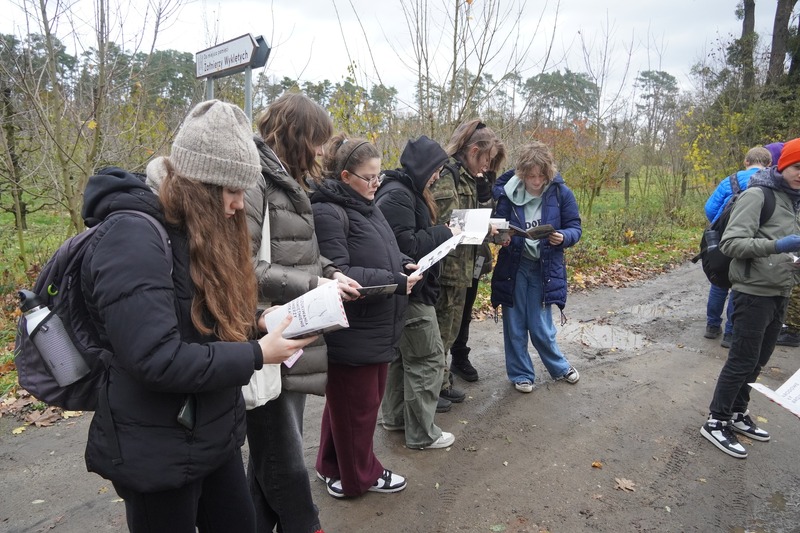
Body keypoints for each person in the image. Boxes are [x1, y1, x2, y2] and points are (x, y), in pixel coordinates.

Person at [82, 100, 315, 532]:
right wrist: (256, 353)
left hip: (210, 434)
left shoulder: (194, 228)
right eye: (231, 192)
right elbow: (156, 357)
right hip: (157, 447)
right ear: (200, 185)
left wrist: (257, 323)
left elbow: (197, 321)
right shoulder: (133, 237)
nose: (237, 205)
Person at [244, 92, 359, 533]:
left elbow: (303, 255)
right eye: (316, 141)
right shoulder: (257, 182)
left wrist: (332, 274)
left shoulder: (289, 180)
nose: (319, 152)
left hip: (295, 327)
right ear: (296, 135)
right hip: (271, 330)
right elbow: (245, 266)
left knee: (271, 453)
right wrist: (316, 285)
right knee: (282, 453)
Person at [311, 135, 422, 498]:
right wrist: (396, 280)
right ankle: (360, 478)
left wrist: (403, 264)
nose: (377, 184)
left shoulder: (367, 205)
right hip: (353, 333)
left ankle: (331, 466)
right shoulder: (329, 211)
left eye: (379, 176)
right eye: (369, 177)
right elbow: (340, 274)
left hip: (377, 328)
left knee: (346, 408)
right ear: (345, 176)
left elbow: (383, 254)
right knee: (358, 412)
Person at [700, 137, 800, 459]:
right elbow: (731, 244)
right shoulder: (759, 194)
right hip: (752, 292)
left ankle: (737, 412)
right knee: (741, 359)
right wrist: (778, 246)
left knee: (759, 359)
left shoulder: (795, 202)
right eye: (797, 167)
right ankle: (716, 420)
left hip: (780, 291)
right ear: (783, 165)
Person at [375, 135, 458, 449]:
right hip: (411, 292)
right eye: (436, 169)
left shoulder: (405, 191)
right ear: (424, 167)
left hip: (407, 292)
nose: (437, 176)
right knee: (427, 359)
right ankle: (423, 434)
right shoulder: (398, 195)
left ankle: (396, 419)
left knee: (402, 359)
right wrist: (445, 232)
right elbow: (405, 246)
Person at [490, 141, 582, 393]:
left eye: (541, 175)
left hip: (545, 268)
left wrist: (564, 236)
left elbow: (575, 227)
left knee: (541, 325)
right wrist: (502, 237)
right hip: (515, 266)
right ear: (521, 173)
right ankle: (521, 374)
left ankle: (559, 367)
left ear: (548, 172)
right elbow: (497, 226)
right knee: (515, 323)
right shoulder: (508, 192)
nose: (536, 180)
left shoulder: (562, 193)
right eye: (531, 175)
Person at [430, 119, 505, 409]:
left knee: (451, 331)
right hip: (446, 268)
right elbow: (444, 222)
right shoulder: (447, 175)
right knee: (438, 331)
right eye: (486, 158)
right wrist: (481, 228)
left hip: (464, 267)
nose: (488, 165)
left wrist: (486, 204)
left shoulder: (472, 177)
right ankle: (431, 388)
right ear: (474, 150)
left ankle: (442, 380)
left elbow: (474, 217)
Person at [703, 146, 773, 348]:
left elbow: (710, 209)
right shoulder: (770, 185)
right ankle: (731, 334)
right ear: (769, 164)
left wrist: (721, 225)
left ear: (746, 162)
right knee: (740, 284)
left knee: (719, 281)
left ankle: (712, 326)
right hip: (752, 241)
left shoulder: (731, 180)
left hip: (725, 239)